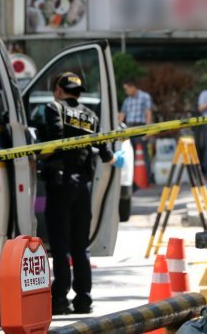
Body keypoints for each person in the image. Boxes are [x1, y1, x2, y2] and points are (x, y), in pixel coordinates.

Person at [38, 72, 125, 315]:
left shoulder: (53, 108)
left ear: (59, 89)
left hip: (60, 183)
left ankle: (60, 299)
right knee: (80, 244)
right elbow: (106, 154)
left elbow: (53, 143)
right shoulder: (90, 115)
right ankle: (84, 299)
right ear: (78, 92)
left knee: (60, 243)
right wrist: (115, 159)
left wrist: (37, 156)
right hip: (83, 187)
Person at [118, 79, 153, 185]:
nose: (126, 91)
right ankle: (133, 179)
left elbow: (148, 113)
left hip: (141, 126)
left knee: (144, 153)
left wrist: (148, 129)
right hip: (129, 127)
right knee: (130, 153)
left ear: (132, 87)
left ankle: (147, 178)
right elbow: (122, 115)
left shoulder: (144, 97)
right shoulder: (127, 100)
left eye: (127, 89)